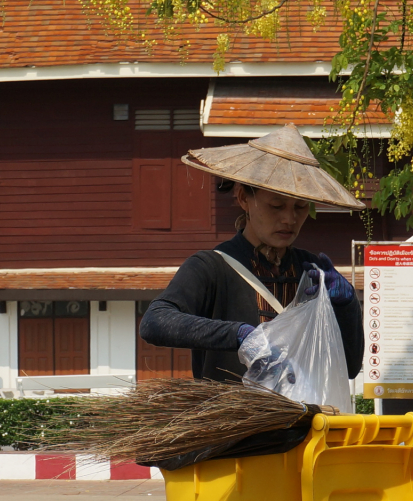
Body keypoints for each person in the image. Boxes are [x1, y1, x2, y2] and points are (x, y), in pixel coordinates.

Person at [139, 124, 365, 384]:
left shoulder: (312, 272)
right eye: (276, 206)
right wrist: (238, 334)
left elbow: (348, 366)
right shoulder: (212, 267)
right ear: (244, 199)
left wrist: (347, 308)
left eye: (300, 207)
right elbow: (154, 322)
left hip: (304, 422)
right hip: (232, 421)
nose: (289, 219)